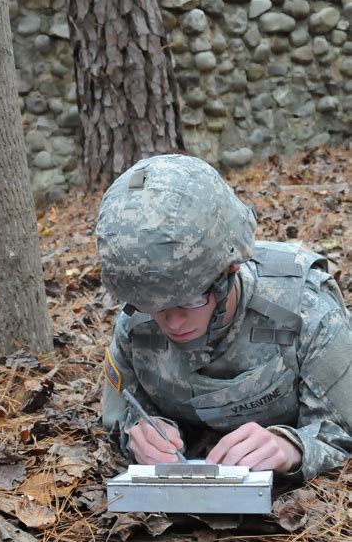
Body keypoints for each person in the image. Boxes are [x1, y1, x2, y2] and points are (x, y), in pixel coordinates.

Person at [96, 154, 351, 480]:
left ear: (230, 270)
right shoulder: (138, 323)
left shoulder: (303, 308)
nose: (172, 321)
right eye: (152, 305)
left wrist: (292, 448)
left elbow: (342, 426)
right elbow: (123, 412)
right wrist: (141, 434)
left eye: (190, 299)